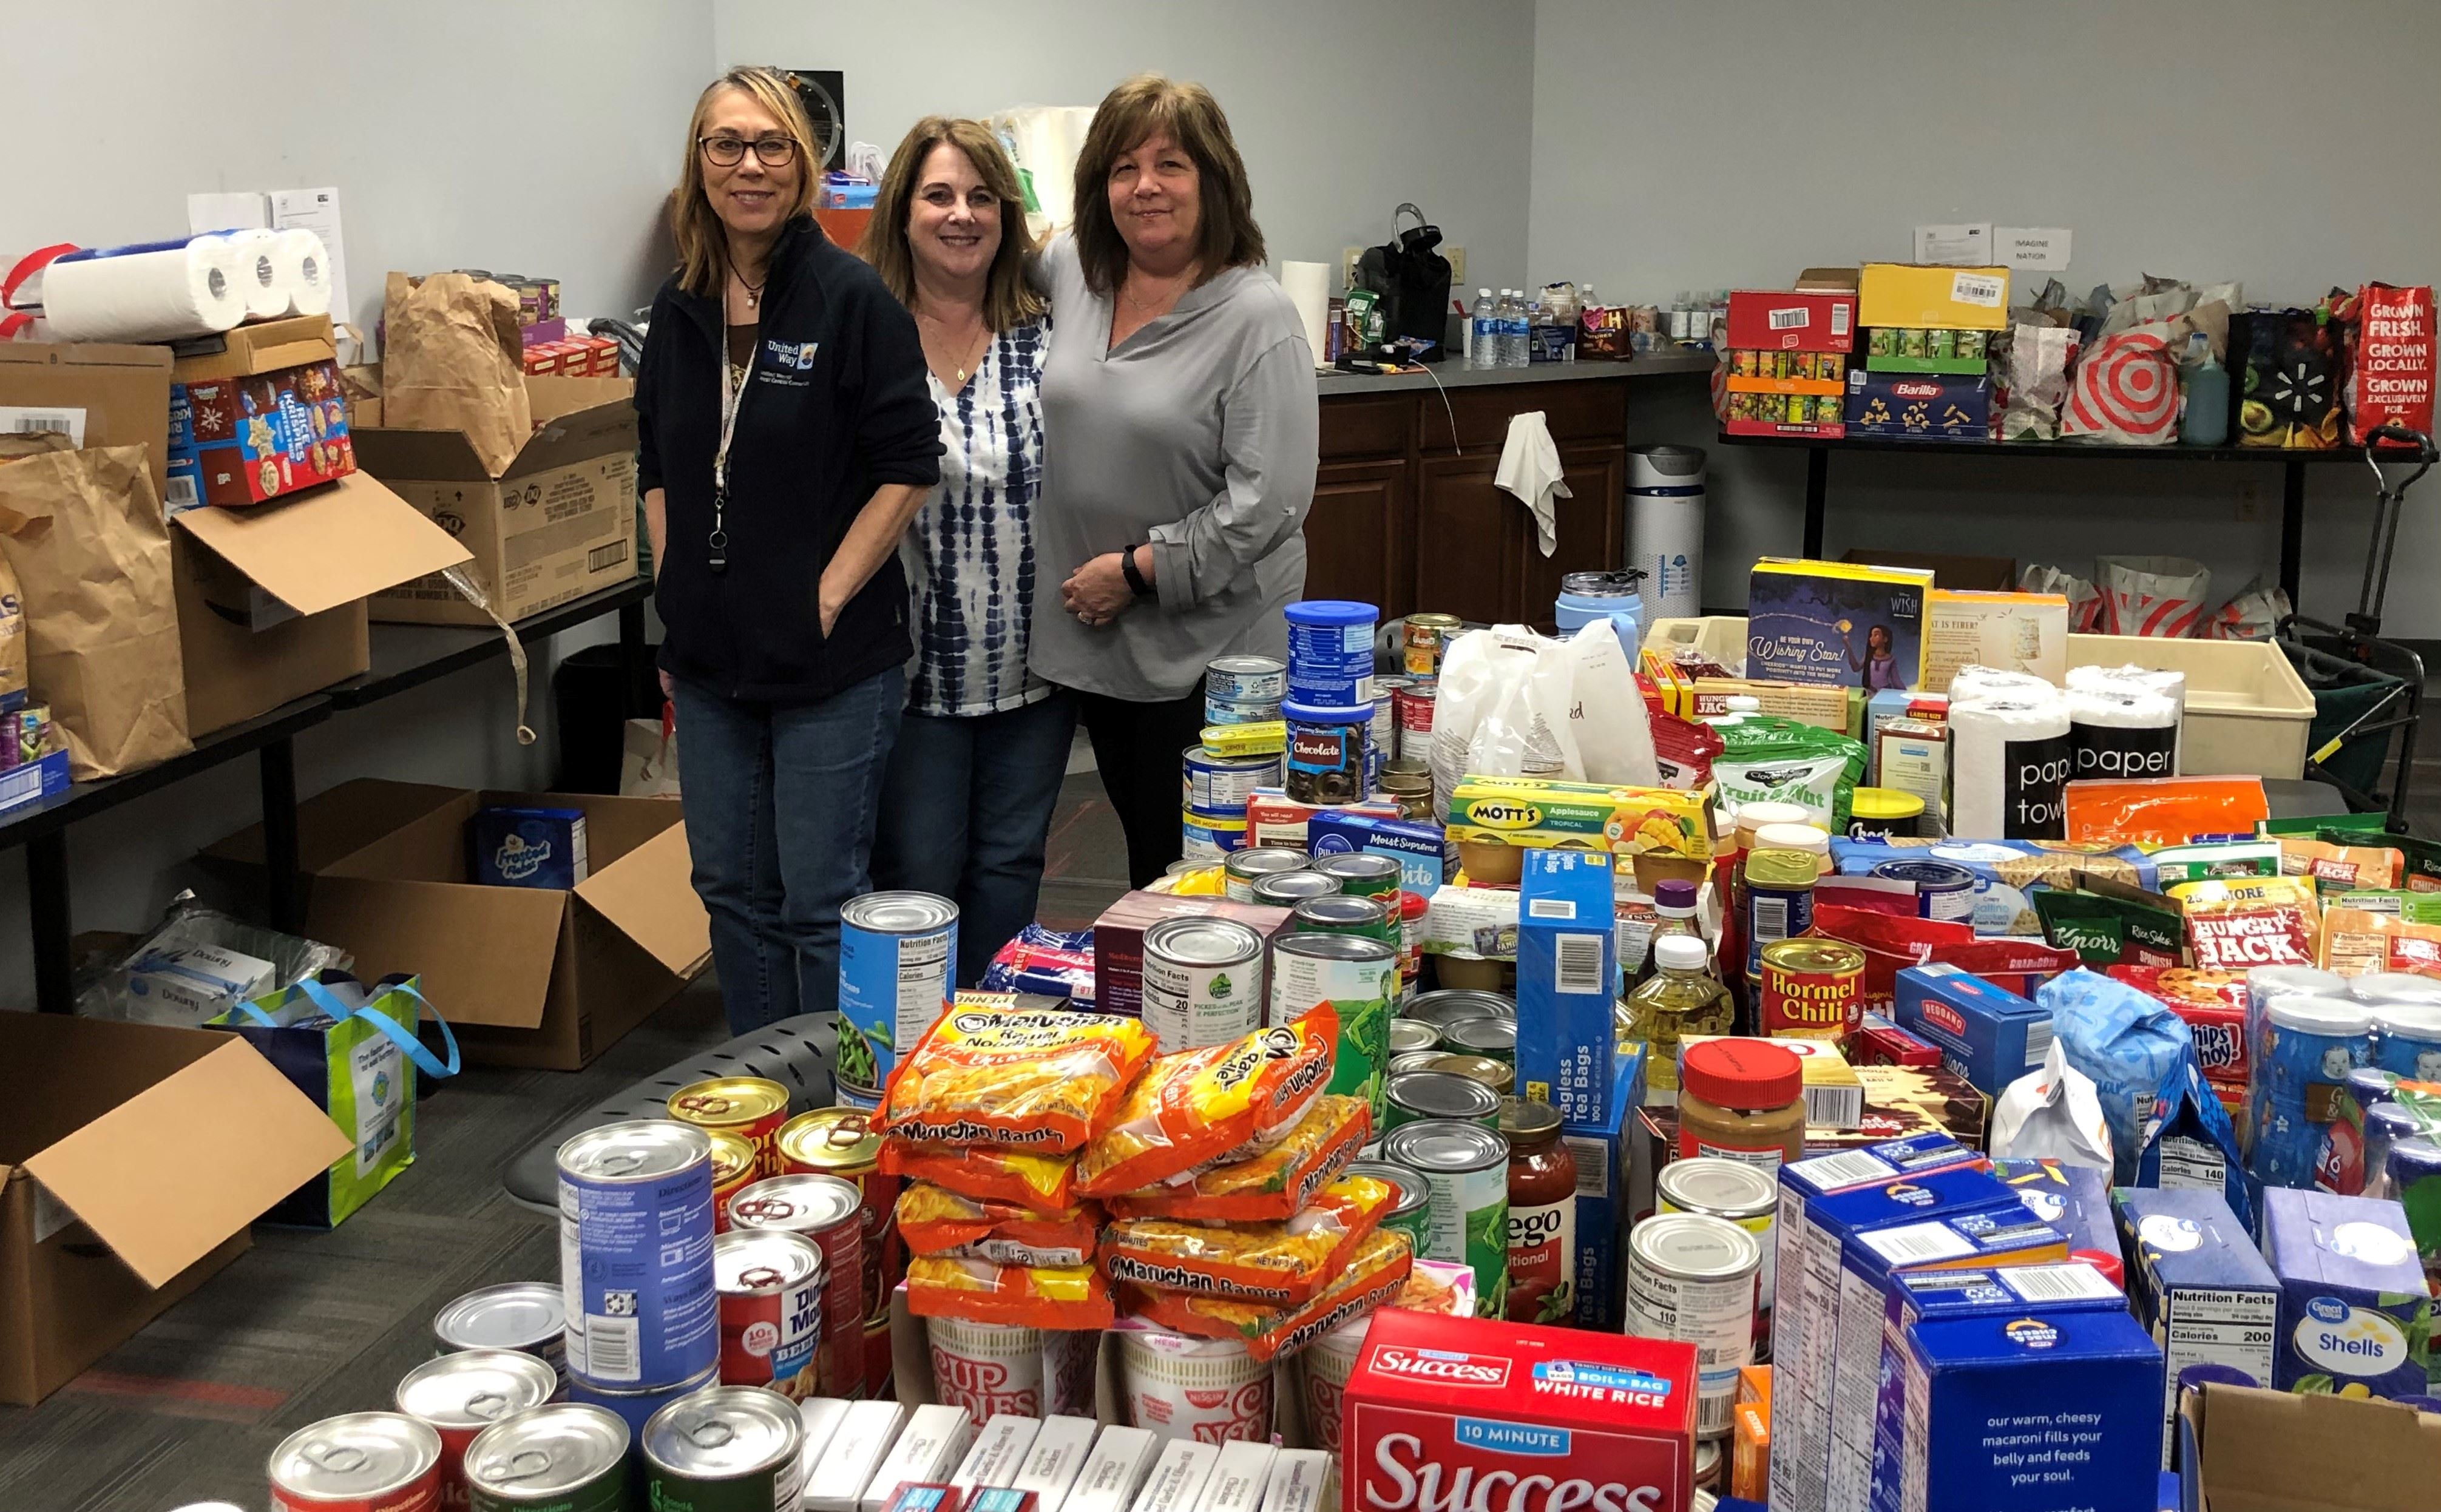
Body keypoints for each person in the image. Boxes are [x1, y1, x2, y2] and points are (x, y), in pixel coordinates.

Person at [635, 67, 942, 1034]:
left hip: (830, 659)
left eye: (771, 145)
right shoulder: (678, 308)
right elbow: (655, 462)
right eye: (725, 144)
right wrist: (672, 579)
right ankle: (765, 1081)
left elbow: (907, 466)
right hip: (710, 658)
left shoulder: (852, 300)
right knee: (730, 886)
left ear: (803, 166)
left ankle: (833, 1104)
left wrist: (826, 595)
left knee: (818, 900)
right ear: (699, 165)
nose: (748, 166)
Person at [1029, 74, 1319, 888]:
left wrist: (1132, 571)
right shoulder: (1071, 272)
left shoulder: (1257, 315)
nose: (1145, 186)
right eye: (1122, 167)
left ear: (1214, 181)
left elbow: (1269, 501)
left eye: (1170, 165)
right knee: (1145, 856)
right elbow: (969, 252)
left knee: (1207, 872)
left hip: (1212, 653)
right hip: (1101, 645)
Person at [863, 118, 1068, 986]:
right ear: (903, 211)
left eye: (982, 197)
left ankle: (991, 1058)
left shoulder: (1049, 332)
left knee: (1011, 865)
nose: (962, 215)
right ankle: (907, 1064)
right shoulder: (866, 332)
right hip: (908, 668)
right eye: (939, 195)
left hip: (1038, 659)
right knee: (917, 875)